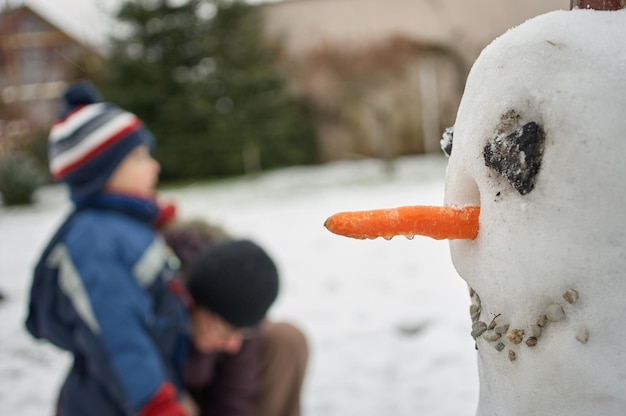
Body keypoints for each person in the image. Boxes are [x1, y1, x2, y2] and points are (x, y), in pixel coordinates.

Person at [25, 81, 190, 416]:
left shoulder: (117, 228)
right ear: (103, 171)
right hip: (115, 403)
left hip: (143, 385)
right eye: (140, 157)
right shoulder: (94, 244)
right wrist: (156, 405)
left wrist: (151, 220)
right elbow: (118, 336)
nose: (154, 166)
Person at [162, 220, 309, 416]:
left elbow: (236, 399)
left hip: (208, 393)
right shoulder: (162, 297)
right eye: (223, 330)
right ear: (193, 304)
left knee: (286, 339)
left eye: (242, 333)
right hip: (164, 394)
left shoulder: (237, 307)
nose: (233, 345)